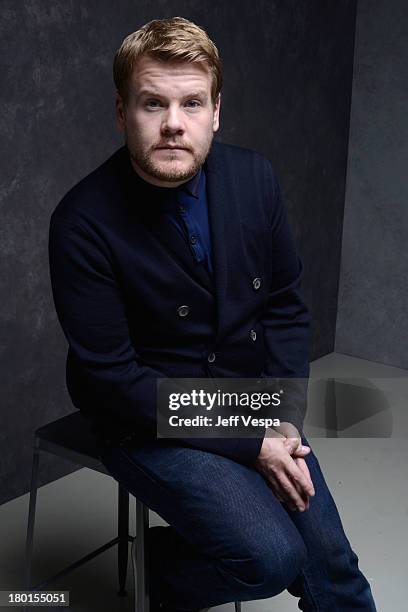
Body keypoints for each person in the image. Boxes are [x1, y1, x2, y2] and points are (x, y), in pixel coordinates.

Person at [48, 16, 377, 612]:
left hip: (247, 397)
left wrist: (281, 419)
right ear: (122, 113)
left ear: (216, 111)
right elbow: (116, 382)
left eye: (192, 103)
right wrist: (252, 440)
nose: (174, 123)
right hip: (144, 417)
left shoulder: (256, 179)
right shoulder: (81, 222)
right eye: (153, 103)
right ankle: (160, 573)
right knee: (270, 559)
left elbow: (284, 307)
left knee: (335, 571)